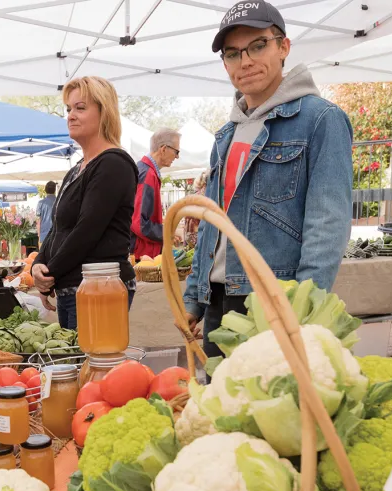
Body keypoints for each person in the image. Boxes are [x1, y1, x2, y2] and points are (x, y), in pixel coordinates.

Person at [183, 0, 353, 360]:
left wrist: (304, 307)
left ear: (283, 47)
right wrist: (194, 300)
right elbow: (212, 224)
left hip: (275, 300)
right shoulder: (225, 135)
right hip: (219, 300)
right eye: (232, 54)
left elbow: (328, 224)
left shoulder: (320, 120)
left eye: (257, 46)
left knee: (271, 409)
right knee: (221, 410)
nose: (245, 61)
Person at [32, 76, 138, 329]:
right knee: (76, 365)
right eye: (68, 109)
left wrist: (49, 275)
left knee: (90, 365)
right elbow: (58, 228)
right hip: (74, 288)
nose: (71, 115)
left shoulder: (113, 164)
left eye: (80, 108)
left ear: (104, 113)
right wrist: (38, 265)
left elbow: (86, 231)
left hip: (100, 289)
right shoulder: (77, 169)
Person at [131, 128, 181, 259]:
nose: (177, 156)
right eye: (176, 152)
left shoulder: (145, 170)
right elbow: (139, 223)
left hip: (141, 252)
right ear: (163, 149)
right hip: (141, 254)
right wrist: (166, 233)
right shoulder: (148, 174)